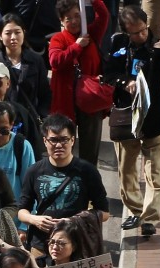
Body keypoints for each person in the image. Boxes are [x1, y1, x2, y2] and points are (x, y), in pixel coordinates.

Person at [107, 6, 160, 237]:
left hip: (153, 119)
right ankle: (135, 210)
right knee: (126, 169)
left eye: (143, 30)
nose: (140, 36)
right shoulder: (118, 45)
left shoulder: (158, 47)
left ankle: (150, 218)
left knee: (153, 170)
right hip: (126, 118)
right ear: (126, 32)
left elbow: (156, 82)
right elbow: (108, 72)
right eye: (134, 33)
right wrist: (125, 83)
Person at [49, 0, 109, 166]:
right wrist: (76, 46)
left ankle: (89, 184)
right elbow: (55, 61)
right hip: (65, 103)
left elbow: (103, 15)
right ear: (62, 21)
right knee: (62, 148)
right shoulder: (58, 39)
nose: (74, 21)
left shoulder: (91, 33)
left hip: (90, 101)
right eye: (68, 18)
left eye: (77, 16)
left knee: (90, 151)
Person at [0, 14, 51, 118]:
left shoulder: (36, 60)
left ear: (23, 33)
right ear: (0, 36)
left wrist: (41, 115)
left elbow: (45, 94)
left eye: (17, 32)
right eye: (8, 33)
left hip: (28, 119)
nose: (13, 37)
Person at [0, 101, 36, 208]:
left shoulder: (22, 146)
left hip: (15, 215)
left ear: (12, 124)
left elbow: (29, 187)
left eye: (3, 130)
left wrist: (26, 220)